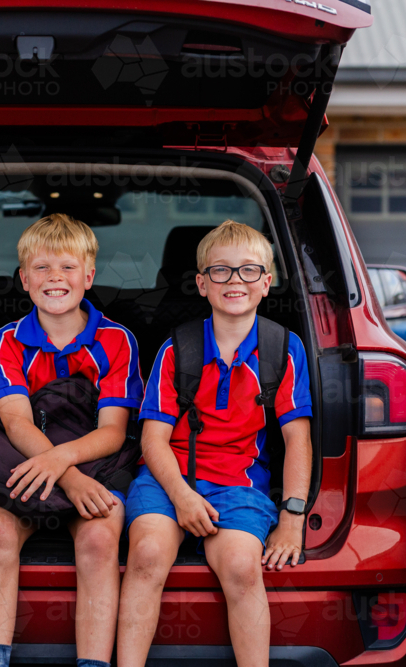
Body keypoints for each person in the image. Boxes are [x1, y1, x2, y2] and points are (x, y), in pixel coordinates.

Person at [116, 220, 313, 667]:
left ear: (267, 283)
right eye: (221, 271)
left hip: (239, 485)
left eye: (248, 271)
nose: (234, 281)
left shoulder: (284, 349)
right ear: (202, 284)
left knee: (243, 568)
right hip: (169, 481)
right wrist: (182, 497)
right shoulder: (177, 348)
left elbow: (297, 438)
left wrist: (293, 519)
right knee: (146, 555)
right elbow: (153, 439)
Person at [0, 213, 143, 667]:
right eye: (42, 268)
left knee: (101, 540)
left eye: (67, 267)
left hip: (96, 462)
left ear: (88, 276)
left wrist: (69, 468)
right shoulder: (6, 341)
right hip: (27, 458)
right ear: (24, 279)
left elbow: (113, 431)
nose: (55, 278)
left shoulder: (116, 340)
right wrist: (65, 477)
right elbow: (13, 422)